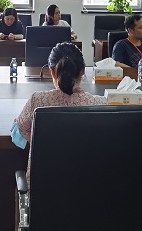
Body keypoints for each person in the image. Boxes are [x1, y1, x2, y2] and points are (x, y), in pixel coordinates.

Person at [11, 42, 106, 182]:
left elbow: (19, 134)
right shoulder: (100, 104)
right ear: (82, 71)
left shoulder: (37, 101)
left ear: (52, 71)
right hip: (88, 187)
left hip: (43, 188)